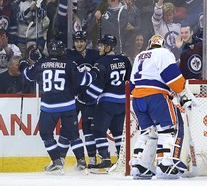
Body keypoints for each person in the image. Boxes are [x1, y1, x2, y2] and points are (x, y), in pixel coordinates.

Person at [18, 38, 100, 174]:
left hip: (49, 107)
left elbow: (27, 75)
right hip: (67, 105)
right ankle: (81, 162)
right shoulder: (69, 64)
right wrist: (95, 73)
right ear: (62, 51)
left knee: (45, 133)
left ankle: (57, 161)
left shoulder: (41, 63)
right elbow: (85, 80)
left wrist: (24, 64)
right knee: (73, 135)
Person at [129, 34, 194, 180]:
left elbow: (132, 83)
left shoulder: (140, 56)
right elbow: (171, 75)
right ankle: (165, 164)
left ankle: (140, 166)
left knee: (147, 131)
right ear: (162, 44)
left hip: (138, 99)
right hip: (156, 97)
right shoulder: (163, 53)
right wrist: (182, 92)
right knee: (168, 129)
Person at [57, 31, 101, 168]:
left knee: (89, 129)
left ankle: (92, 159)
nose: (79, 44)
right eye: (76, 41)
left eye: (81, 41)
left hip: (90, 99)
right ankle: (60, 159)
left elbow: (100, 73)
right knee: (67, 128)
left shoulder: (94, 54)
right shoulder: (69, 55)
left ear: (86, 41)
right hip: (73, 99)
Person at [88, 34, 132, 172]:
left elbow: (98, 85)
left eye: (101, 45)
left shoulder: (102, 63)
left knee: (97, 131)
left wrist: (86, 98)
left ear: (108, 47)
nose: (99, 48)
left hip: (107, 102)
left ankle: (105, 159)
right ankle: (121, 159)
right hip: (122, 102)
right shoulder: (125, 60)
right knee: (118, 132)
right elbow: (129, 81)